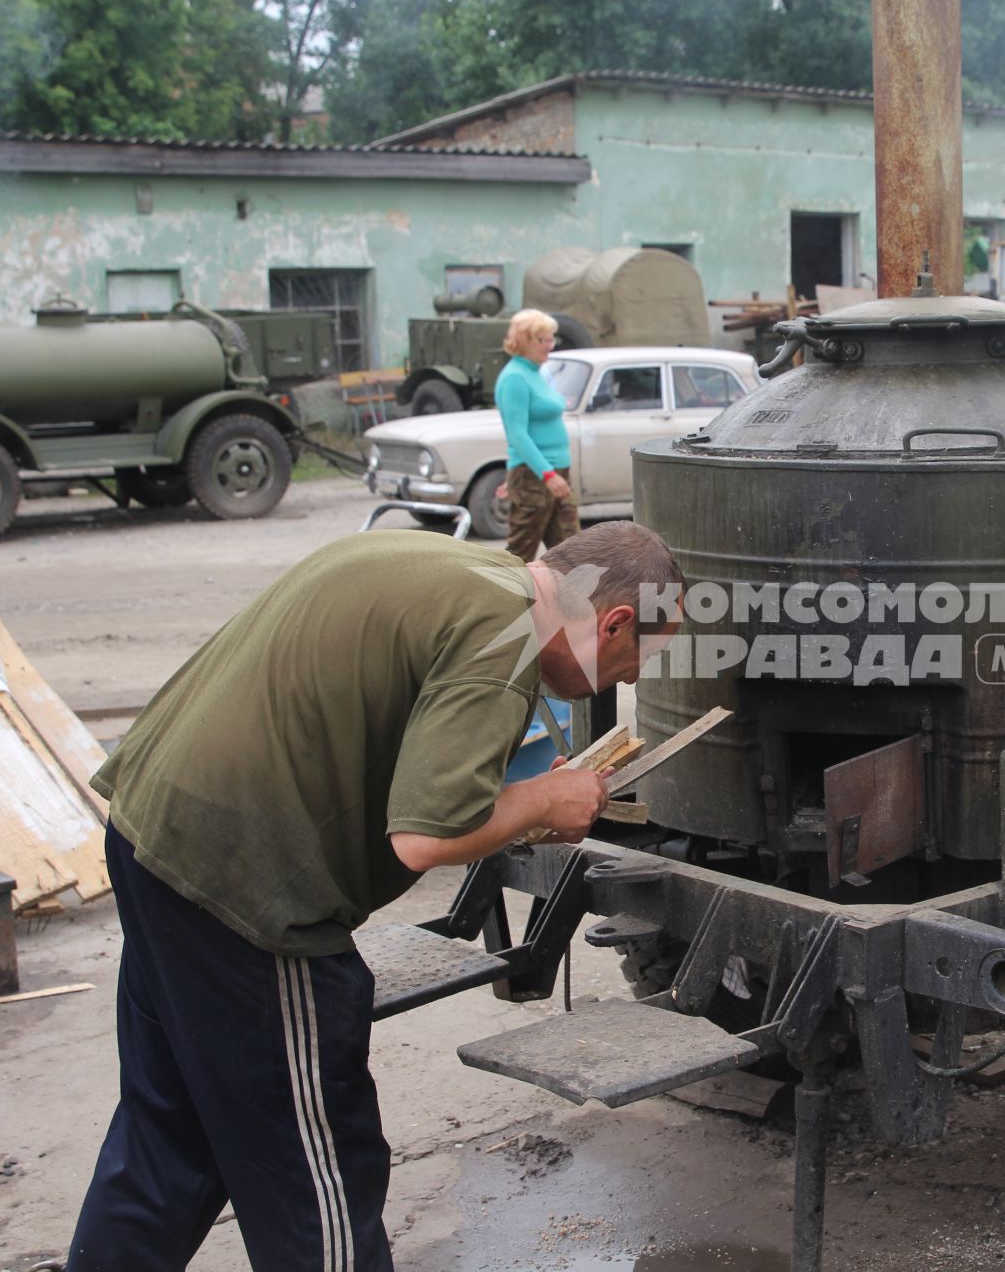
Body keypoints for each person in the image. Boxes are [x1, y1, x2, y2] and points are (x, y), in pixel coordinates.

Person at [65, 521, 682, 1272]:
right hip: (245, 885)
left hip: (153, 831)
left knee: (174, 1130)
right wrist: (545, 803)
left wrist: (515, 793)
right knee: (315, 1164)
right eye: (635, 658)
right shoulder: (506, 633)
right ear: (612, 619)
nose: (628, 681)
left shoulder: (455, 569)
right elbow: (424, 839)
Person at [494, 308, 579, 561]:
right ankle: (506, 599)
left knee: (572, 551)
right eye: (543, 340)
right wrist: (547, 474)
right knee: (520, 554)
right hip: (539, 475)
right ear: (523, 341)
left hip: (553, 472)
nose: (549, 346)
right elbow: (517, 434)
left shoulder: (535, 372)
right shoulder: (515, 378)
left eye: (552, 339)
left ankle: (568, 600)